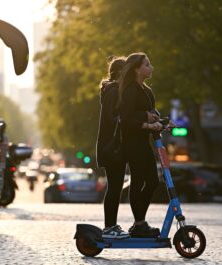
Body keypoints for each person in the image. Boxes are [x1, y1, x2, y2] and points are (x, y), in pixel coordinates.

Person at [117, 52, 162, 238]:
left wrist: (162, 122)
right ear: (136, 69)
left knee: (152, 181)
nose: (151, 68)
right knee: (138, 181)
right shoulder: (130, 90)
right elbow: (126, 119)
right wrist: (147, 121)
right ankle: (139, 224)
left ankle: (139, 223)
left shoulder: (147, 91)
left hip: (144, 142)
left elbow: (152, 112)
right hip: (132, 143)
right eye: (147, 65)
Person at [96, 56, 129, 239]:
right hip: (112, 147)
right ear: (121, 73)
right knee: (114, 188)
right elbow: (113, 118)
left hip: (111, 147)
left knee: (115, 187)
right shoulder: (114, 92)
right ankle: (109, 227)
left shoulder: (112, 90)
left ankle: (111, 225)